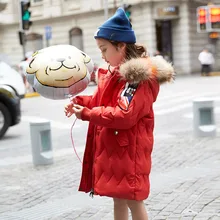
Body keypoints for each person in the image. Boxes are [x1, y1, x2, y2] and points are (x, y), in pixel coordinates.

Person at [64, 7, 174, 220]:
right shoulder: (113, 75)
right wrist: (79, 102)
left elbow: (125, 115)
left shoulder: (137, 78)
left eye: (104, 49)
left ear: (121, 45)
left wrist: (87, 113)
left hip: (129, 150)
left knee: (133, 199)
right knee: (119, 198)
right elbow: (99, 102)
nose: (102, 55)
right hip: (117, 149)